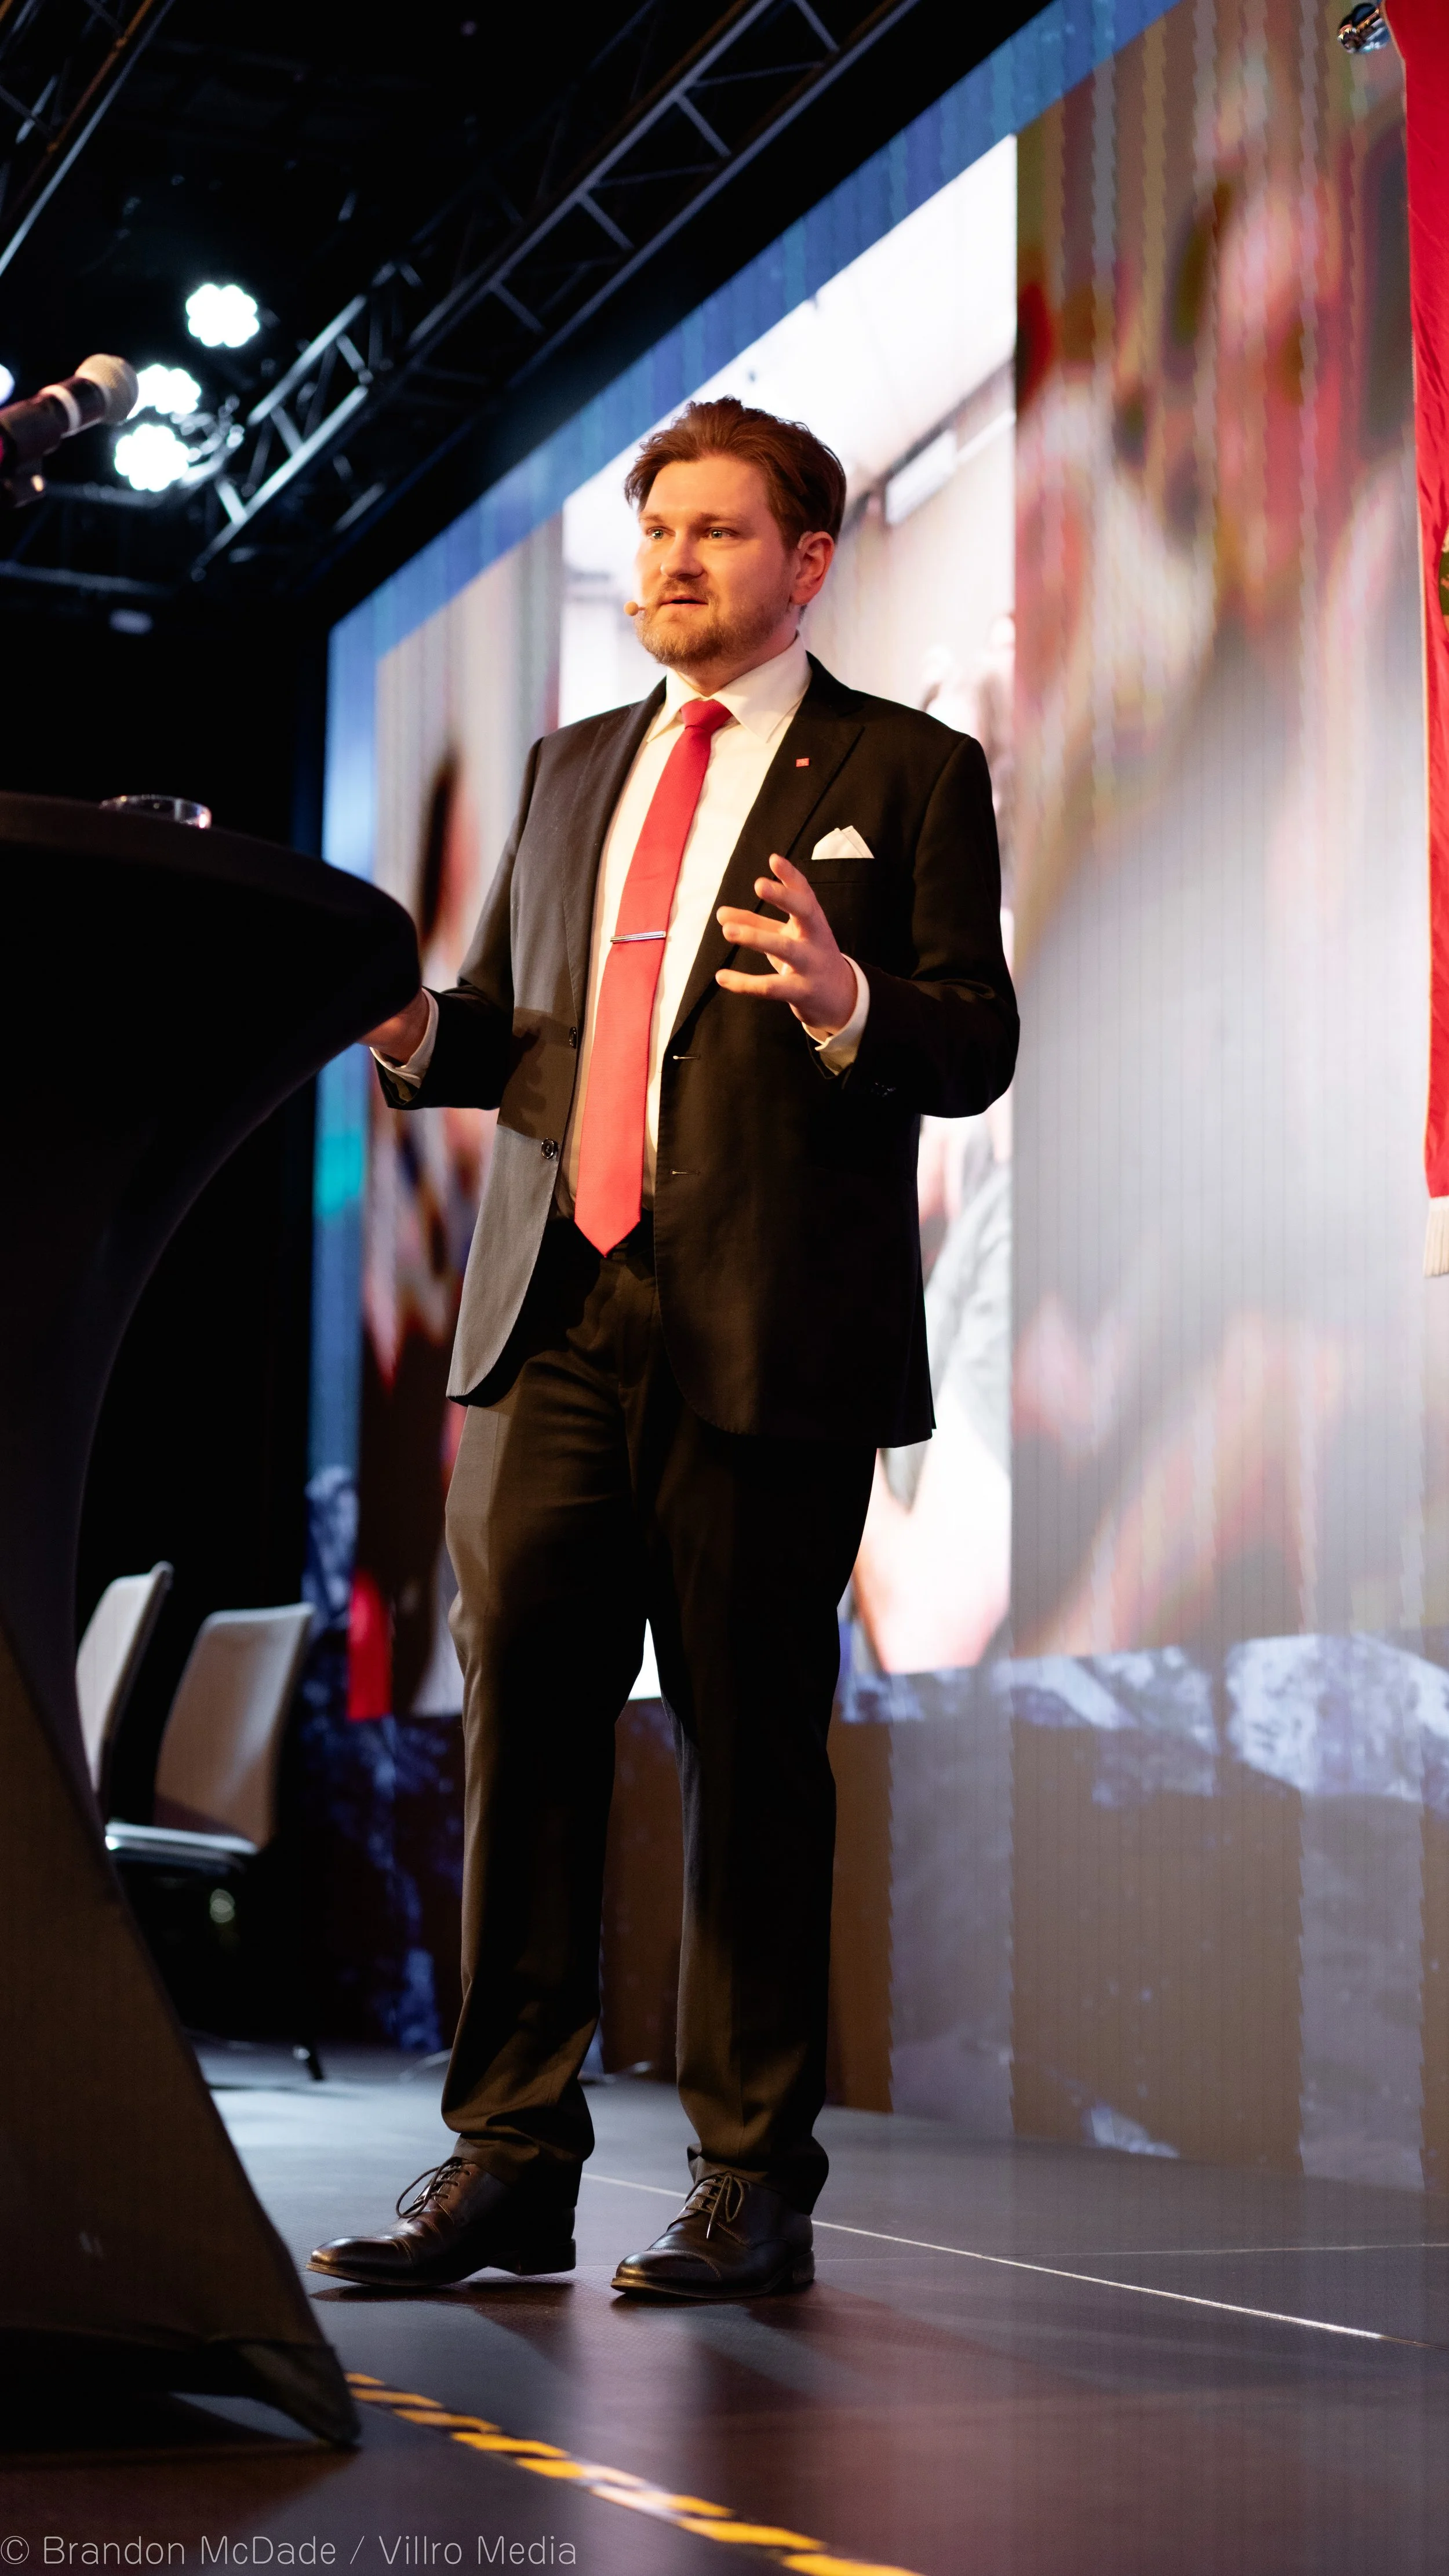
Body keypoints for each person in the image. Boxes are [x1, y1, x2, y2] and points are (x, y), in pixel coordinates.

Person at [309, 395, 1017, 2303]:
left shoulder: (911, 768)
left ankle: (748, 2176)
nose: (673, 561)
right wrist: (405, 1026)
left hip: (767, 1333)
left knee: (750, 1760)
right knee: (525, 1742)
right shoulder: (568, 768)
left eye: (716, 530)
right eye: (654, 532)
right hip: (550, 1315)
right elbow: (513, 1030)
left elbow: (973, 1039)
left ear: (807, 561)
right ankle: (507, 2159)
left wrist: (854, 1000)